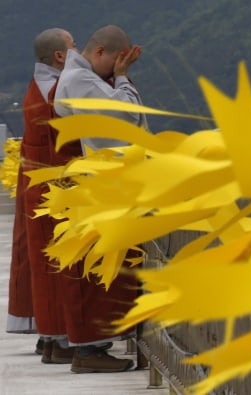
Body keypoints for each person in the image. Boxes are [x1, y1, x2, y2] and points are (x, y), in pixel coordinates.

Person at [53, 24, 146, 374]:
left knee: (100, 268)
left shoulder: (80, 78)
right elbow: (129, 116)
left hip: (99, 182)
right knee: (97, 272)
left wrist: (118, 76)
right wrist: (122, 80)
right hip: (104, 183)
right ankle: (90, 350)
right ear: (102, 52)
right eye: (116, 62)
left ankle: (93, 346)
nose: (115, 72)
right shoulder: (81, 81)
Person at [7, 27, 78, 365]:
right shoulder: (56, 92)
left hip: (38, 187)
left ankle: (51, 340)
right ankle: (59, 340)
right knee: (56, 268)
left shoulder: (40, 88)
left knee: (44, 266)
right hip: (54, 190)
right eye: (74, 48)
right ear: (60, 57)